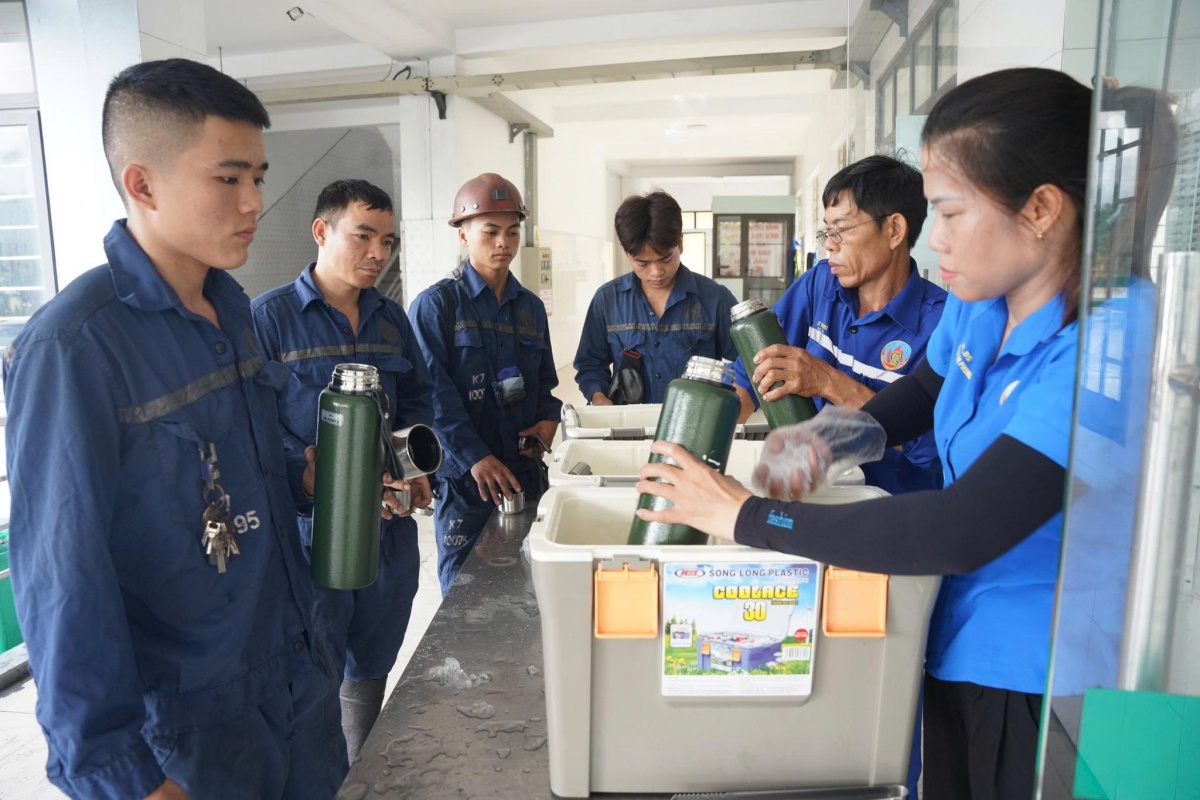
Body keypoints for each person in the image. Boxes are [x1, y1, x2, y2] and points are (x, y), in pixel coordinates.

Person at [634, 67, 1091, 800]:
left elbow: (962, 527)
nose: (936, 238)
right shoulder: (983, 303)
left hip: (1033, 663)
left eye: (950, 212)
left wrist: (749, 516)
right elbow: (922, 394)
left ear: (1039, 208)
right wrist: (826, 443)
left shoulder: (1097, 352)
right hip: (952, 620)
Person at [2, 59, 346, 799]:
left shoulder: (232, 310)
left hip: (298, 680)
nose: (255, 201)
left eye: (259, 175)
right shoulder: (74, 349)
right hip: (192, 731)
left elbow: (226, 477)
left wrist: (306, 478)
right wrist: (122, 776)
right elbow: (63, 582)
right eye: (228, 178)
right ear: (143, 184)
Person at [251, 179, 434, 761]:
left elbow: (416, 402)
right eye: (364, 236)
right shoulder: (270, 319)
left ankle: (359, 767)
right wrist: (303, 473)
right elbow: (254, 424)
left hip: (388, 529)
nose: (379, 253)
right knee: (313, 662)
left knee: (374, 655)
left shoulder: (391, 319)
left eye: (388, 241)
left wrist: (411, 468)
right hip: (314, 535)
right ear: (321, 231)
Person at [733, 155, 946, 495]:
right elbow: (752, 372)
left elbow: (929, 450)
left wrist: (826, 381)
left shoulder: (941, 325)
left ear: (893, 230)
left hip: (891, 508)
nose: (830, 244)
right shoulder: (820, 285)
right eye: (827, 231)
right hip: (816, 494)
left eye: (842, 230)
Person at [410, 173, 562, 595]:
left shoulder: (530, 308)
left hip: (522, 474)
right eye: (490, 231)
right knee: (464, 595)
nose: (503, 243)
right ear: (463, 234)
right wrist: (475, 457)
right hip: (466, 483)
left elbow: (545, 385)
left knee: (529, 587)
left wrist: (548, 422)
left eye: (512, 232)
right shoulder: (437, 306)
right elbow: (432, 395)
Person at [574, 190, 738, 404]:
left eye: (665, 259)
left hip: (694, 420)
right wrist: (598, 397)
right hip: (630, 422)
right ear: (627, 253)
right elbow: (590, 364)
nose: (656, 272)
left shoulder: (715, 299)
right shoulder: (607, 300)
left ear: (680, 243)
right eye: (642, 263)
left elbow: (748, 361)